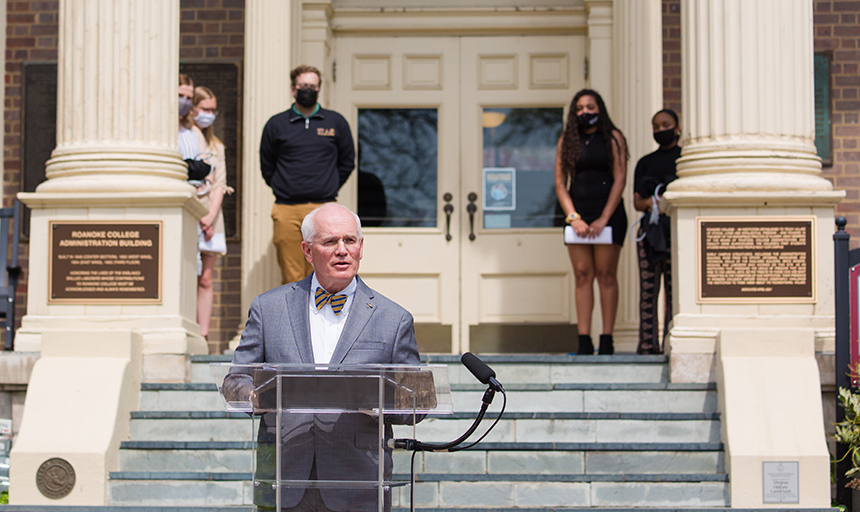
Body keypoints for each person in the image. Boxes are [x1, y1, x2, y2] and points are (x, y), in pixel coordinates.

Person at [223, 203, 420, 511]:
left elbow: (415, 402)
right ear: (307, 250)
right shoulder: (268, 309)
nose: (342, 250)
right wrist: (256, 395)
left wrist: (378, 401)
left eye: (350, 241)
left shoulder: (394, 319)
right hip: (283, 478)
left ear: (361, 247)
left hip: (359, 482)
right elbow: (236, 378)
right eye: (330, 242)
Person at [260, 65, 356, 286]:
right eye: (304, 86)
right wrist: (283, 186)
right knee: (292, 275)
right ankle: (297, 320)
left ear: (319, 89)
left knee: (328, 272)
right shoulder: (276, 124)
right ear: (293, 89)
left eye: (313, 86)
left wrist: (327, 185)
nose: (308, 90)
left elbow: (347, 162)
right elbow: (267, 165)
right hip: (287, 209)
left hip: (326, 209)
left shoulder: (336, 123)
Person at [554, 89, 629, 355]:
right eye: (580, 108)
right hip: (578, 216)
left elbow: (620, 179)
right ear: (574, 113)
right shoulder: (567, 140)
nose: (585, 112)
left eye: (590, 107)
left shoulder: (613, 137)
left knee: (606, 275)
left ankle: (606, 339)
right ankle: (584, 340)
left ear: (600, 109)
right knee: (582, 275)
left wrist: (604, 219)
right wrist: (573, 217)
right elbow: (560, 183)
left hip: (608, 215)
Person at [632, 109, 681, 354]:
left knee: (675, 289)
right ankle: (648, 346)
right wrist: (654, 203)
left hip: (678, 233)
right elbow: (637, 202)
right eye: (655, 126)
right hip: (650, 234)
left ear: (677, 126)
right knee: (648, 290)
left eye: (665, 124)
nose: (660, 130)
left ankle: (672, 343)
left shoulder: (685, 159)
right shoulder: (645, 162)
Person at [192, 86, 234, 341]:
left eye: (212, 110)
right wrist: (197, 215)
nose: (208, 115)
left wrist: (209, 217)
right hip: (191, 211)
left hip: (211, 216)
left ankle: (204, 335)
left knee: (206, 278)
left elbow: (220, 183)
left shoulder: (217, 146)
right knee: (187, 272)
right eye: (204, 109)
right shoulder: (184, 136)